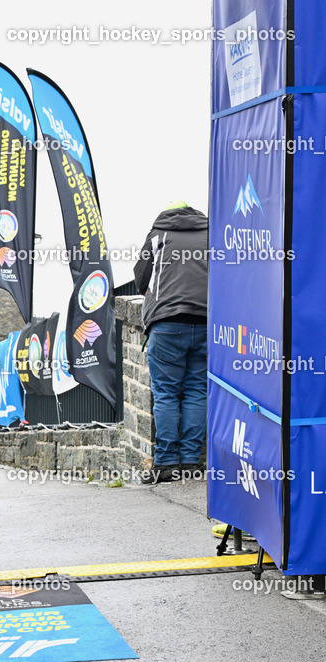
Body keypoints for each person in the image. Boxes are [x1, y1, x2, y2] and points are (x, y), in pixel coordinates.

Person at [133, 200, 209, 485]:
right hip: (205, 322)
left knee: (166, 394)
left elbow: (141, 279)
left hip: (166, 324)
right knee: (196, 391)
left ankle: (165, 463)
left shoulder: (158, 235)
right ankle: (190, 461)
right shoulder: (211, 234)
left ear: (167, 215)